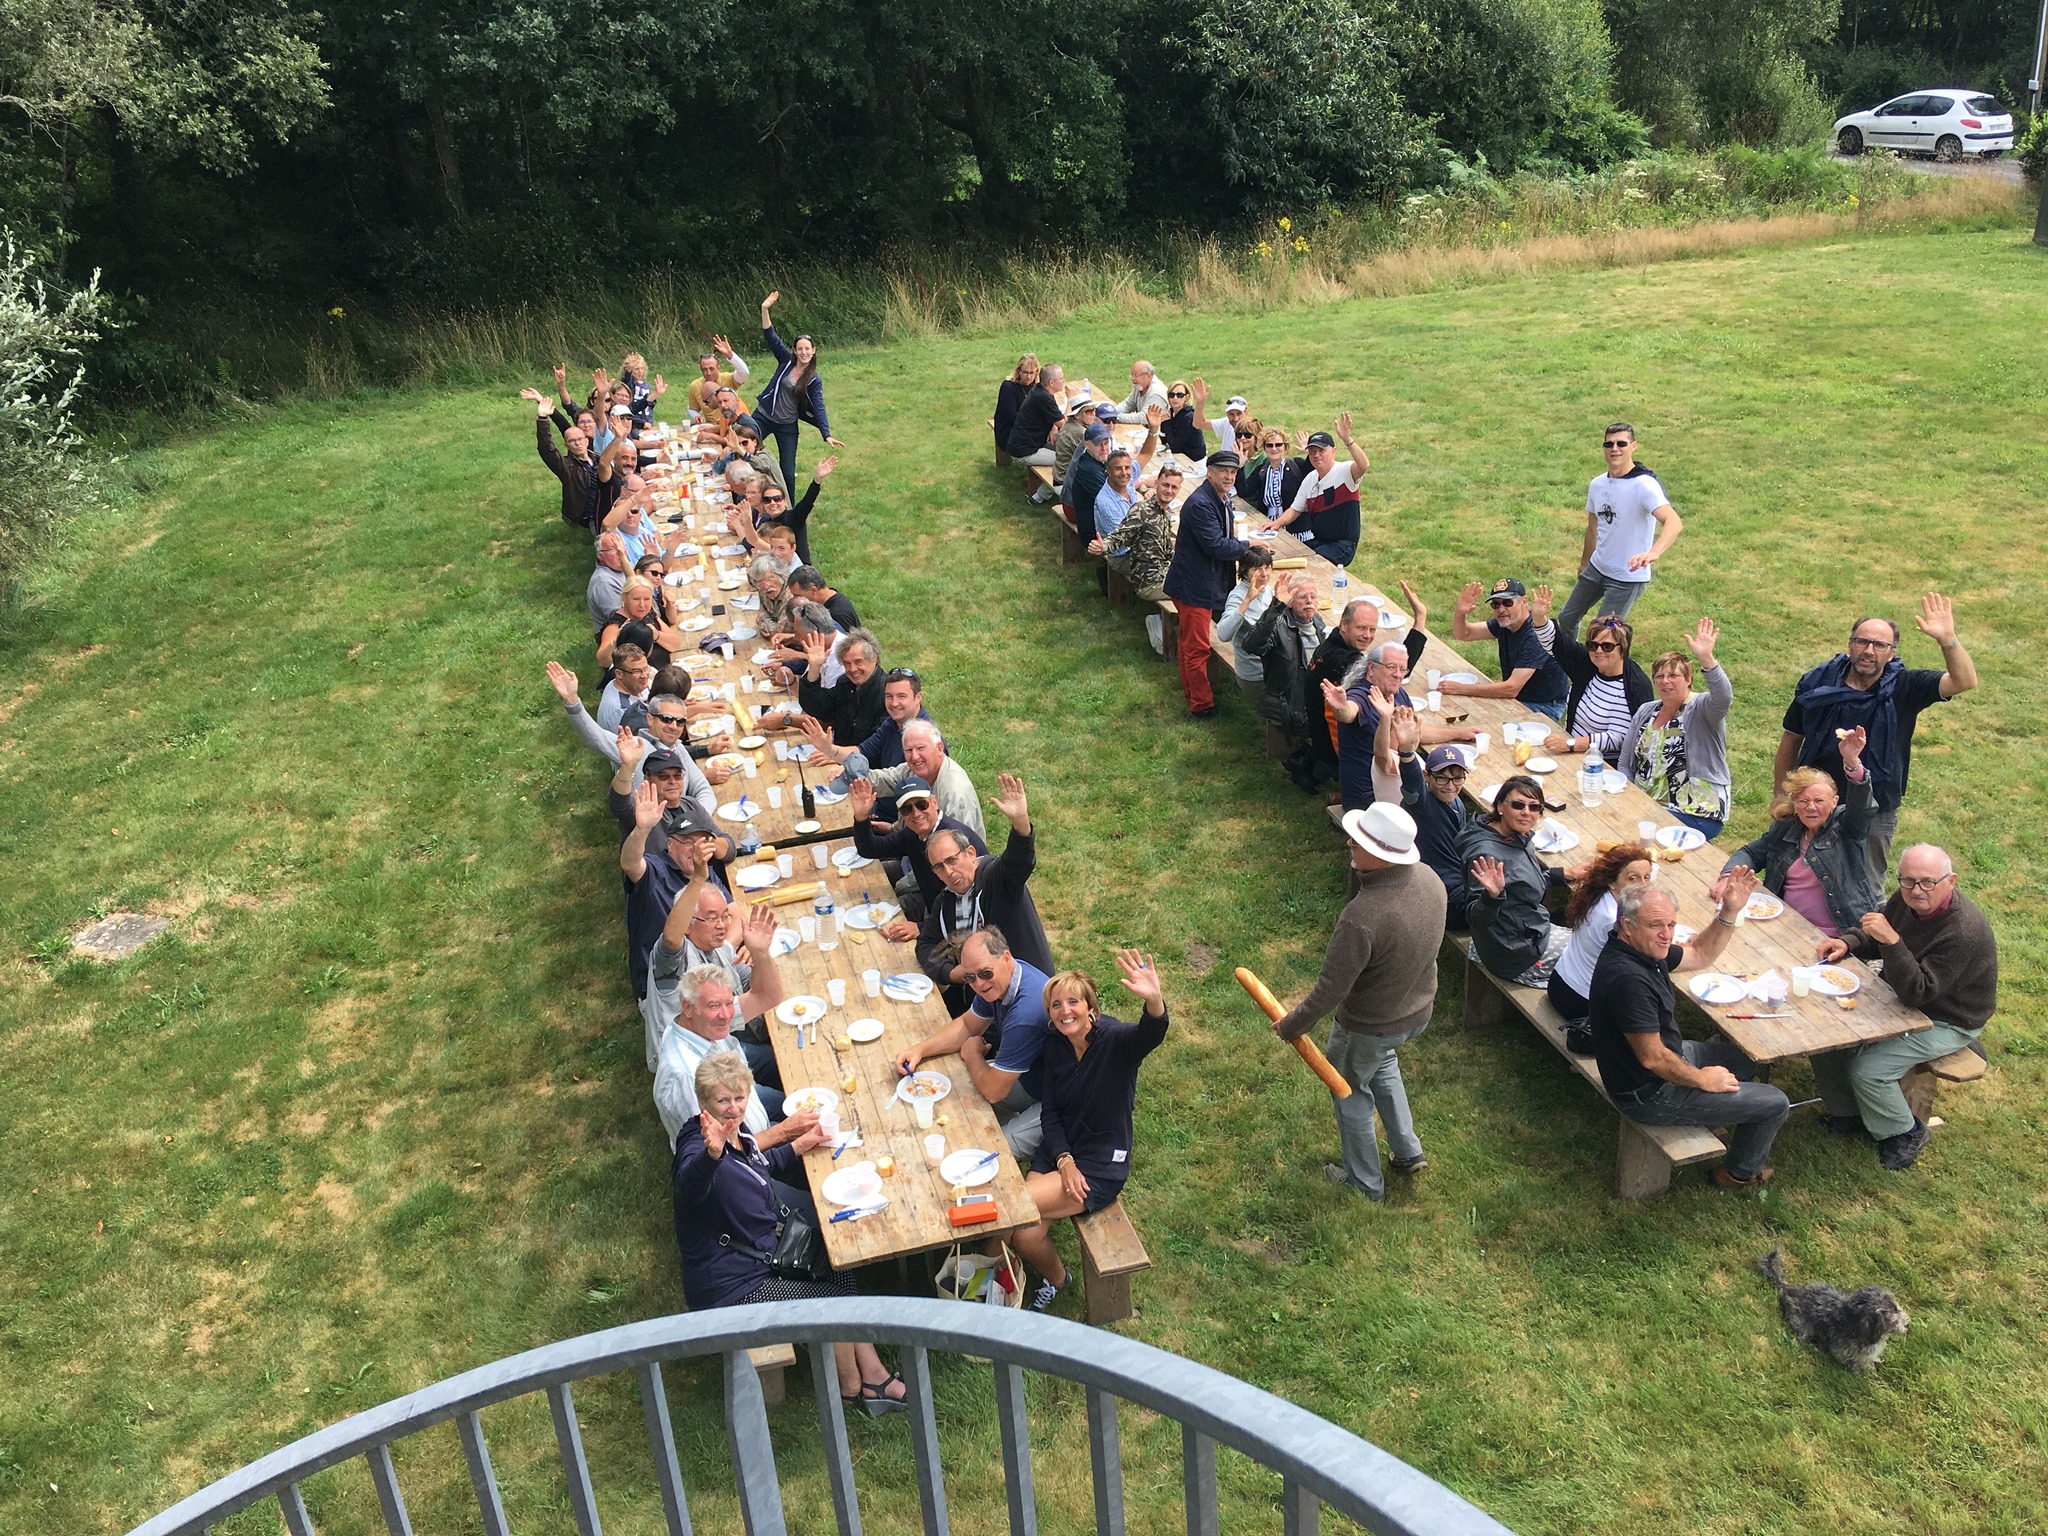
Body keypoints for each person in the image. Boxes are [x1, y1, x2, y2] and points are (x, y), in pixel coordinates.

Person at [670, 1054, 911, 1416]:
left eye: (739, 1098)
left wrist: (806, 1141)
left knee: (837, 1262)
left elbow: (762, 1166)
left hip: (763, 1253)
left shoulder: (736, 1133)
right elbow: (690, 1186)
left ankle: (873, 1374)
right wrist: (712, 1155)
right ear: (703, 1102)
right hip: (733, 1285)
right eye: (722, 1100)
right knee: (833, 1301)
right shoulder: (699, 1146)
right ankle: (849, 1388)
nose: (733, 1108)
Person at [1267, 802, 1444, 1200]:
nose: (1349, 841)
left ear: (1380, 855)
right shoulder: (1431, 880)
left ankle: (1365, 1185)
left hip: (1369, 1025)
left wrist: (1293, 1024)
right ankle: (1407, 1150)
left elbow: (1330, 990)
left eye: (1359, 841)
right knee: (1382, 1063)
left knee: (1349, 1091)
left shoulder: (1362, 919)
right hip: (1416, 1012)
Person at [1588, 874, 1789, 1189]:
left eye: (1671, 924)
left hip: (1665, 1058)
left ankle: (1708, 1117)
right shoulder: (1628, 979)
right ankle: (1738, 1174)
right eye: (1657, 925)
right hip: (1647, 1092)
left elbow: (1699, 953)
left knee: (1743, 1059)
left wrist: (1729, 912)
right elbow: (1653, 1059)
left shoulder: (1642, 949)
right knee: (1775, 1102)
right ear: (1627, 926)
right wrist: (1702, 1080)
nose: (1666, 934)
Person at [1811, 843, 1997, 1170]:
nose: (1916, 890)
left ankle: (1904, 1132)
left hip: (1947, 1017)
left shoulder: (1963, 932)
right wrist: (1849, 942)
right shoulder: (1906, 899)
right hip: (1904, 995)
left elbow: (1918, 992)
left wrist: (1893, 943)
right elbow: (1879, 931)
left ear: (1950, 881)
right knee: (1825, 1034)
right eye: (1908, 881)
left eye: (1928, 882)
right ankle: (1848, 1112)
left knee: (1870, 1069)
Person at [1775, 593, 1979, 882]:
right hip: (1813, 801)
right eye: (1862, 641)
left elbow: (1964, 681)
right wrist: (1780, 794)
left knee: (1865, 886)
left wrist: (1948, 640)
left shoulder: (1906, 687)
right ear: (1850, 645)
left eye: (1880, 645)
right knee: (1798, 879)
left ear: (1891, 653)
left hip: (1875, 809)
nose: (1869, 650)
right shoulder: (1817, 682)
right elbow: (1791, 739)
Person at [1008, 952, 1170, 1311]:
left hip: (1099, 1165)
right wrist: (1063, 1159)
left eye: (1073, 1002)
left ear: (1090, 1007)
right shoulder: (1056, 1046)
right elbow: (1051, 1111)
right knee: (1025, 1234)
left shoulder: (1113, 1040)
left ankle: (996, 1286)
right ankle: (1058, 1280)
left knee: (1010, 1206)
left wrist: (1154, 1001)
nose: (1064, 1010)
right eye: (1055, 1005)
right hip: (1060, 1151)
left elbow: (1150, 1034)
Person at [899, 926, 1053, 1159]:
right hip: (1031, 1077)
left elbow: (993, 1091)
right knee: (954, 1095)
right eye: (970, 978)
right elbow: (968, 1026)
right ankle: (1014, 1117)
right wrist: (919, 1050)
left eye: (985, 974)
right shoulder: (1003, 979)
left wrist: (973, 1056)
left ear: (1006, 958)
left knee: (994, 1151)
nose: (979, 984)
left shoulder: (1026, 1014)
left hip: (1062, 1099)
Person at [1723, 727, 1880, 941]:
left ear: (1834, 803)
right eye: (1803, 801)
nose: (1811, 808)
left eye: (1819, 801)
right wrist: (1728, 877)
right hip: (1785, 928)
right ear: (1794, 805)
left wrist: (1852, 762)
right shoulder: (1786, 828)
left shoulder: (1847, 827)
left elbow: (1862, 807)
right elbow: (1751, 852)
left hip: (1837, 937)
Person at [913, 773, 1053, 1007]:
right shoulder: (947, 900)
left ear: (970, 853)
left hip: (1026, 997)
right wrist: (951, 973)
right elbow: (925, 944)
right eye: (939, 867)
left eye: (952, 860)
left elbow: (1019, 861)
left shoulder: (996, 879)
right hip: (983, 999)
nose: (948, 871)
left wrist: (1021, 823)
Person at [648, 870, 784, 1094]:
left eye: (724, 917)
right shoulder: (673, 959)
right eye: (712, 918)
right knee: (778, 1102)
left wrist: (760, 954)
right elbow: (671, 937)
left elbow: (765, 994)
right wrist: (698, 879)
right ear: (688, 925)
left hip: (720, 1040)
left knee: (778, 1059)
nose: (722, 925)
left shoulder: (719, 949)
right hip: (697, 1065)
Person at [1555, 423, 1682, 639]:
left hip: (1626, 577)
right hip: (1597, 568)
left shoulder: (1644, 485)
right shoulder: (1597, 484)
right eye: (1609, 443)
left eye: (1621, 443)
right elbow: (1592, 527)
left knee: (1603, 634)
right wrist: (1585, 562)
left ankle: (1597, 670)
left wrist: (1654, 553)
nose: (1615, 448)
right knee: (1566, 618)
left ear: (1633, 446)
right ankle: (1569, 663)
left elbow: (1674, 521)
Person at [1617, 618, 1734, 839]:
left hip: (1695, 812)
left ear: (1688, 679)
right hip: (1646, 807)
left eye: (1673, 675)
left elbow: (1723, 698)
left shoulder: (1701, 708)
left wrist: (1706, 658)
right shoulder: (1646, 711)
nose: (1665, 681)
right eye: (1659, 676)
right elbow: (1625, 763)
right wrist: (1628, 798)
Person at [1458, 773, 1579, 984]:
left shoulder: (1511, 835)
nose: (1527, 813)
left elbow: (1521, 883)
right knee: (1592, 954)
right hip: (1515, 954)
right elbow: (1476, 920)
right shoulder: (1487, 855)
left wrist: (1562, 875)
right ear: (1500, 807)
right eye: (1518, 805)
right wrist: (1491, 896)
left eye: (1534, 807)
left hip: (1523, 931)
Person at [620, 787, 729, 1016]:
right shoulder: (655, 870)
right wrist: (642, 829)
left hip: (707, 971)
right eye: (687, 842)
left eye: (701, 842)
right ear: (670, 844)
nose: (694, 849)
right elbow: (630, 864)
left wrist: (728, 951)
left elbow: (734, 913)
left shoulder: (705, 870)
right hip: (667, 992)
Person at [1162, 450, 1251, 719]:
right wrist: (1249, 546)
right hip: (1194, 587)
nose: (1229, 476)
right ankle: (1201, 706)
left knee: (1189, 643)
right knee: (1197, 647)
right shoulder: (1201, 503)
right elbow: (1216, 546)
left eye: (1233, 472)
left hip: (1201, 583)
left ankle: (1193, 692)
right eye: (1223, 470)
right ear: (1209, 470)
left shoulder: (1220, 498)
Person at [1548, 842, 1656, 1043]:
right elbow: (1654, 956)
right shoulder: (1612, 920)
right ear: (1613, 882)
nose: (1643, 885)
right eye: (1633, 878)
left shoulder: (1598, 896)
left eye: (1647, 877)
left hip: (1559, 981)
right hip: (1581, 1002)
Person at [1527, 596, 1653, 760]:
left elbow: (1618, 737)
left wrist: (1571, 744)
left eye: (1607, 646)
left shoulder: (1633, 685)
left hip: (1604, 763)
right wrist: (1539, 618)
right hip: (1569, 750)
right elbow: (1556, 644)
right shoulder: (1588, 664)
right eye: (1592, 646)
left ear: (1623, 649)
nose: (1599, 651)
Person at [849, 775, 986, 924]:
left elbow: (968, 905)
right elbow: (870, 849)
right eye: (907, 809)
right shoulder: (913, 834)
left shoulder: (953, 841)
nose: (916, 813)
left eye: (921, 805)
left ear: (934, 802)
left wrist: (921, 928)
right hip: (935, 910)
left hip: (965, 922)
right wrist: (861, 817)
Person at [798, 664, 930, 810]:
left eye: (901, 696)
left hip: (900, 814)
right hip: (879, 802)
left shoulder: (924, 738)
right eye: (889, 696)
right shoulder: (892, 723)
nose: (894, 703)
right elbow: (862, 751)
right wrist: (828, 749)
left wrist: (891, 826)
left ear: (918, 697)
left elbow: (923, 801)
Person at [751, 291, 846, 488]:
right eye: (800, 349)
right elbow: (771, 336)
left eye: (807, 349)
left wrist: (826, 433)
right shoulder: (786, 361)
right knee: (745, 453)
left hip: (787, 426)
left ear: (813, 351)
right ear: (794, 351)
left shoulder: (813, 379)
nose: (803, 352)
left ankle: (790, 512)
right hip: (764, 416)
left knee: (787, 473)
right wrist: (765, 309)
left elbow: (819, 406)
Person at [1442, 578, 1571, 721]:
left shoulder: (1536, 635)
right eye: (1495, 604)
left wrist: (1460, 688)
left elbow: (1511, 688)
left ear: (1523, 602)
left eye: (1508, 602)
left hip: (1543, 705)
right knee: (1464, 710)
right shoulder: (1507, 622)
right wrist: (1460, 613)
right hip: (1518, 697)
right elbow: (1464, 634)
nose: (1501, 609)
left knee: (1481, 720)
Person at [1245, 572, 1329, 790]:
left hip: (1314, 694)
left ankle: (1309, 761)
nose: (1310, 601)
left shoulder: (1318, 623)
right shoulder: (1278, 624)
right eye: (1302, 597)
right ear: (1290, 601)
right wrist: (1275, 607)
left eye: (1313, 596)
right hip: (1288, 700)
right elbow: (1252, 645)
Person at [1394, 729, 1472, 933]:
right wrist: (1407, 752)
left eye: (1457, 778)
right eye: (1442, 778)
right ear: (1427, 776)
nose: (1450, 786)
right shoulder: (1421, 804)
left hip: (1463, 884)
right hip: (1443, 898)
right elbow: (1412, 785)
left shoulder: (1457, 804)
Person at [1266, 415, 1370, 566]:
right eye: (1312, 451)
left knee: (1310, 564)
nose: (1316, 455)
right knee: (1286, 556)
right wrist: (1277, 523)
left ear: (1333, 451)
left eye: (1321, 450)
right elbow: (1295, 510)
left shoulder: (1345, 471)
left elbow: (1364, 465)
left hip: (1342, 546)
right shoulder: (1310, 478)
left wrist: (1348, 440)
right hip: (1319, 541)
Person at [863, 721, 985, 839]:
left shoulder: (955, 793)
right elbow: (884, 779)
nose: (915, 757)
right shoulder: (913, 771)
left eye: (921, 748)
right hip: (920, 842)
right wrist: (852, 773)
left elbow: (960, 848)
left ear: (939, 748)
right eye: (909, 750)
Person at [1216, 549, 1284, 756]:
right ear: (1244, 572)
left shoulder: (1267, 590)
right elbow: (1223, 633)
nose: (1263, 574)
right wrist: (1246, 602)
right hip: (1255, 675)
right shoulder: (1238, 596)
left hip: (1273, 665)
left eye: (1267, 568)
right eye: (1257, 569)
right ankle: (1280, 754)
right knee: (1286, 703)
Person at [1093, 460, 1178, 604]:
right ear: (1156, 483)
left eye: (1174, 487)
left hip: (1164, 571)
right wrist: (1103, 547)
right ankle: (1158, 624)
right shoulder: (1142, 511)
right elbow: (1119, 535)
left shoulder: (1165, 511)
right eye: (1165, 485)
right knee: (1196, 590)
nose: (1169, 490)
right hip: (1150, 582)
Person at [528, 390, 602, 528]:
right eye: (572, 441)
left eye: (580, 439)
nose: (578, 443)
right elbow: (547, 450)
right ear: (566, 445)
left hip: (607, 506)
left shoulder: (597, 458)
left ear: (587, 441)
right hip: (590, 515)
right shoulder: (567, 466)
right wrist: (543, 418)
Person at [757, 458, 836, 566]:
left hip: (799, 570)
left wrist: (817, 479)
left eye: (777, 498)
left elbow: (807, 502)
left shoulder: (794, 517)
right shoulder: (766, 520)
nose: (772, 503)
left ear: (785, 501)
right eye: (767, 500)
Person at [1235, 421, 1307, 527]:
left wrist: (1308, 452)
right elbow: (1244, 492)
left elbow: (1317, 471)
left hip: (1296, 527)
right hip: (1269, 524)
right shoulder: (1262, 471)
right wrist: (1240, 468)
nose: (1274, 448)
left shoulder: (1297, 465)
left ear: (1285, 447)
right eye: (1269, 445)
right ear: (1264, 448)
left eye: (1278, 445)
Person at [598, 581, 681, 673]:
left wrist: (656, 634)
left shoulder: (647, 614)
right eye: (636, 599)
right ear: (624, 598)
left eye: (646, 599)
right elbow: (603, 661)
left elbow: (675, 644)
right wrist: (617, 639)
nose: (642, 605)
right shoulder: (616, 625)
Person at [1005, 357, 1063, 469]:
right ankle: (1049, 487)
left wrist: (1053, 426)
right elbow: (1065, 425)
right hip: (1024, 452)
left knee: (1067, 447)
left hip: (1033, 442)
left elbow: (1055, 418)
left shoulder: (1039, 388)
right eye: (1061, 379)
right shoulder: (1043, 397)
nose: (1064, 381)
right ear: (1051, 382)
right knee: (1065, 459)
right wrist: (1071, 401)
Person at [685, 336, 751, 418]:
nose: (708, 373)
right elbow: (693, 409)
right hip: (710, 426)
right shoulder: (695, 385)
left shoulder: (728, 378)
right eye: (704, 369)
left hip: (732, 424)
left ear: (718, 368)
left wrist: (730, 355)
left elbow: (744, 373)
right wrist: (696, 416)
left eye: (711, 369)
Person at [994, 353, 1041, 457]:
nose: (1029, 376)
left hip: (1028, 429)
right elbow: (1011, 417)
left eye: (1032, 373)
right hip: (1010, 433)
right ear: (1019, 371)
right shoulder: (1009, 387)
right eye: (1025, 372)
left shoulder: (1035, 387)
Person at [586, 531, 629, 638]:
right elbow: (620, 621)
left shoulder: (621, 567)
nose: (620, 552)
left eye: (621, 546)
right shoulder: (604, 582)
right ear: (600, 556)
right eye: (612, 549)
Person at [1158, 380, 1208, 460]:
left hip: (1195, 462)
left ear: (1187, 397)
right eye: (1171, 395)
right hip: (1181, 458)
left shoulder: (1188, 417)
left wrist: (1167, 423)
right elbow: (1164, 441)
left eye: (1180, 395)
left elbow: (1175, 447)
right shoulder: (1172, 413)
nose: (1175, 398)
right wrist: (1163, 423)